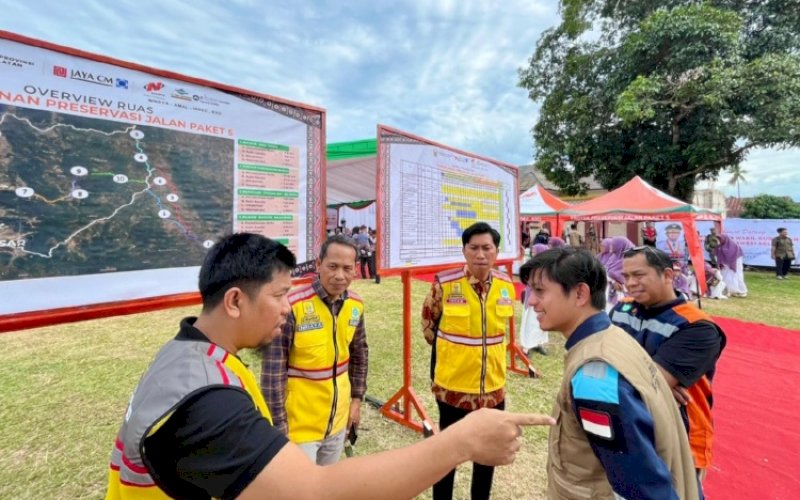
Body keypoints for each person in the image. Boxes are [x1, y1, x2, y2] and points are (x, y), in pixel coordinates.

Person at [106, 233, 555, 500]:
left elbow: (357, 355)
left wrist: (356, 400)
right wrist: (458, 444)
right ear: (235, 300)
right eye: (279, 296)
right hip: (301, 425)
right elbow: (314, 491)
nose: (286, 309)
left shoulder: (195, 356)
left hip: (336, 416)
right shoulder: (207, 400)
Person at [525, 247, 700, 500]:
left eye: (540, 290)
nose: (531, 301)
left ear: (580, 293)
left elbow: (639, 485)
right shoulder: (613, 337)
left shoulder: (593, 372)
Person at [611, 246, 726, 483]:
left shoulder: (698, 327)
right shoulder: (622, 308)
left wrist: (650, 381)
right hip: (628, 429)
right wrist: (650, 378)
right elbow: (594, 356)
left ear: (668, 275)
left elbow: (651, 385)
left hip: (680, 437)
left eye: (639, 275)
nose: (630, 283)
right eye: (626, 276)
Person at [420, 222, 517, 500]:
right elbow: (429, 325)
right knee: (446, 457)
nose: (480, 254)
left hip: (493, 389)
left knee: (487, 456)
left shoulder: (505, 285)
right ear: (464, 250)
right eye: (473, 248)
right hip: (454, 388)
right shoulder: (445, 283)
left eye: (487, 248)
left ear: (496, 251)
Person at [261, 234, 368, 465]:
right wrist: (279, 430)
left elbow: (360, 355)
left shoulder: (356, 305)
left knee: (326, 488)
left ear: (355, 269)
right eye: (332, 266)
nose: (340, 276)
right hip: (298, 430)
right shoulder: (291, 306)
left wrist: (356, 402)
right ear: (318, 265)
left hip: (337, 423)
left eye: (347, 268)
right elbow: (272, 373)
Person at [518, 243, 550, 356]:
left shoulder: (548, 266)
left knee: (542, 321)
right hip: (532, 297)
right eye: (533, 250)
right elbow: (524, 277)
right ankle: (526, 347)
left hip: (544, 298)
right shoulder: (531, 264)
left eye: (536, 251)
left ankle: (539, 343)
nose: (533, 252)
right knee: (530, 322)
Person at [603, 236, 634, 312]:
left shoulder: (630, 260)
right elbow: (605, 272)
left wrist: (622, 286)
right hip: (611, 293)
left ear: (620, 246)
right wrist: (613, 282)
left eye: (613, 244)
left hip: (625, 294)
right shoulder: (613, 257)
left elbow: (633, 278)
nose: (611, 247)